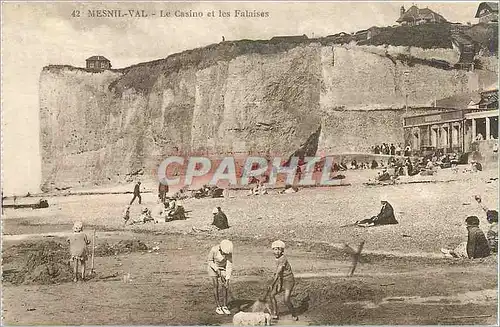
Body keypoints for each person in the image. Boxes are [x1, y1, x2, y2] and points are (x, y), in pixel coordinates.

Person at [268, 240, 298, 321]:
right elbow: (277, 273)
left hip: (288, 280)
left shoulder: (283, 258)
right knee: (272, 295)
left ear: (282, 251)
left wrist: (272, 284)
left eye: (279, 249)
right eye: (275, 249)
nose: (277, 251)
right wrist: (277, 282)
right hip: (281, 280)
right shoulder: (277, 258)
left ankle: (294, 314)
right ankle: (275, 313)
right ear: (272, 250)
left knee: (286, 299)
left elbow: (278, 272)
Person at [207, 239, 233, 315]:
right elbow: (210, 261)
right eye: (223, 253)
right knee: (216, 285)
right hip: (213, 267)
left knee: (225, 285)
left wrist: (227, 279)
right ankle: (218, 306)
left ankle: (224, 306)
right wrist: (217, 270)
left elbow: (229, 266)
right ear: (220, 249)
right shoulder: (214, 249)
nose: (224, 255)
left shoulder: (229, 252)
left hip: (223, 268)